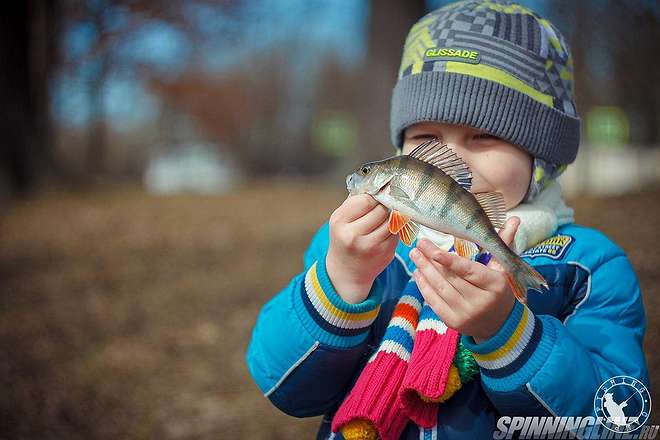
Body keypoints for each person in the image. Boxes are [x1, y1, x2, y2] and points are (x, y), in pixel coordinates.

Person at [245, 1, 650, 439]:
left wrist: (509, 335)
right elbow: (284, 387)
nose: (453, 157)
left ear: (541, 159)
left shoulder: (586, 267)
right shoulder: (350, 247)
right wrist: (341, 283)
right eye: (426, 137)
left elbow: (619, 423)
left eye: (484, 135)